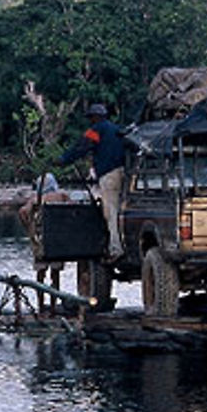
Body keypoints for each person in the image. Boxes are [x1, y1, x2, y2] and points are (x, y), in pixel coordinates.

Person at [57, 102, 126, 263]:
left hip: (109, 175)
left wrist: (64, 159)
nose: (90, 122)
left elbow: (82, 147)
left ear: (95, 117)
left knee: (111, 211)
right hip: (124, 172)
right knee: (121, 209)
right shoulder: (116, 129)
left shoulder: (96, 130)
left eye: (91, 118)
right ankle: (123, 243)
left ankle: (116, 248)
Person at [18, 172, 70, 312]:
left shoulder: (35, 199)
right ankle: (52, 307)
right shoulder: (62, 196)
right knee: (55, 275)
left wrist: (29, 229)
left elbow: (22, 212)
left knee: (40, 274)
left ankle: (41, 306)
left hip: (41, 240)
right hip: (57, 240)